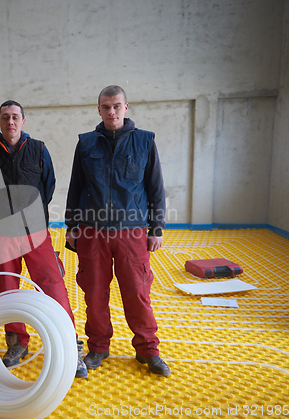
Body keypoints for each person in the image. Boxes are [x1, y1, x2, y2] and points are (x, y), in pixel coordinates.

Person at [65, 85, 171, 376]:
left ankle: (148, 350)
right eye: (105, 107)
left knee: (137, 292)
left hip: (131, 231)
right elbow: (75, 187)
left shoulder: (145, 141)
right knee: (94, 292)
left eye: (116, 106)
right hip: (91, 231)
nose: (111, 112)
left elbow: (155, 188)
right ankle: (98, 347)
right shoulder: (86, 144)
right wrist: (71, 226)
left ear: (126, 107)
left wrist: (157, 228)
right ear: (98, 109)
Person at [0, 100, 88, 378]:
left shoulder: (39, 149)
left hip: (35, 231)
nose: (10, 122)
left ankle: (68, 343)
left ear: (23, 121)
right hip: (3, 234)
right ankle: (16, 343)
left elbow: (48, 186)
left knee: (52, 285)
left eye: (15, 117)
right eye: (5, 117)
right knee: (8, 290)